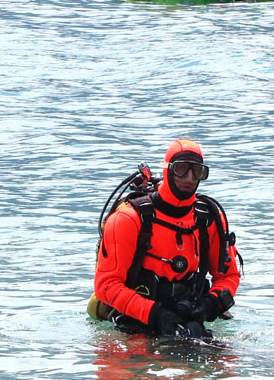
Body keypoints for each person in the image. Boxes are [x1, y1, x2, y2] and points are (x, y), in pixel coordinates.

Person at [91, 139, 242, 337]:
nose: (189, 178)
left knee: (225, 361)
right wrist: (155, 314)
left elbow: (228, 276)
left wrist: (210, 304)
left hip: (188, 320)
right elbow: (107, 286)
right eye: (181, 169)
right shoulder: (128, 219)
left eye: (197, 171)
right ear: (167, 170)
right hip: (134, 324)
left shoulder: (209, 219)